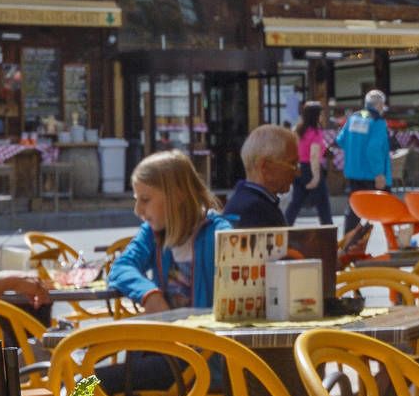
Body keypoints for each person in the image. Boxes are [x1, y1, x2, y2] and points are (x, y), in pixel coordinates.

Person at [105, 149, 224, 311]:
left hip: (206, 327)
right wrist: (149, 294)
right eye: (137, 200)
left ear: (177, 195)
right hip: (166, 327)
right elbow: (121, 267)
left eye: (145, 199)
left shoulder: (219, 234)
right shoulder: (151, 233)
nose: (137, 210)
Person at [222, 123, 315, 230]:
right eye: (292, 164)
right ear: (265, 167)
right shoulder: (255, 210)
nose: (297, 172)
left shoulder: (244, 200)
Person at [338, 88, 394, 192]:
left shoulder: (353, 118)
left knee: (356, 202)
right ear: (380, 105)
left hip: (353, 174)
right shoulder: (378, 122)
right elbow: (373, 149)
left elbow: (341, 140)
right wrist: (379, 174)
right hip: (372, 176)